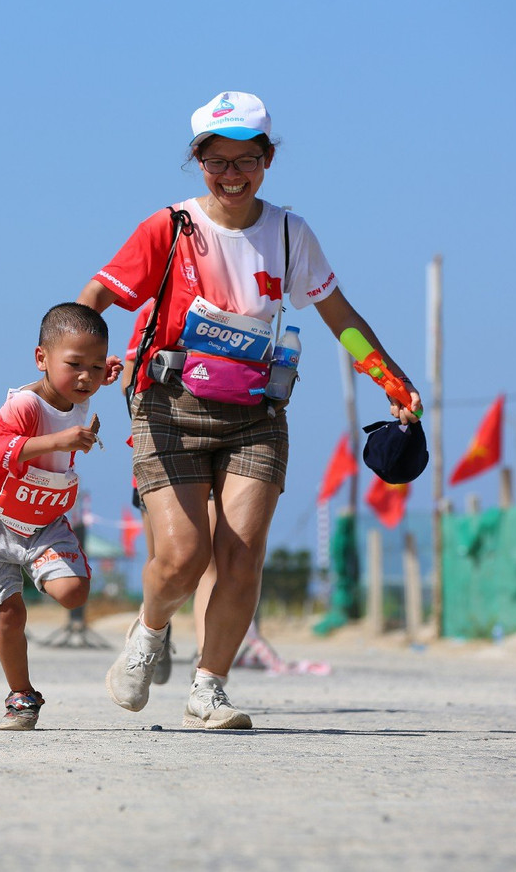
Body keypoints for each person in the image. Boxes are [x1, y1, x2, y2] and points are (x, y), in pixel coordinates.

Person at [78, 91, 421, 729]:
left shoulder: (290, 233)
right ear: (197, 162)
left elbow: (338, 316)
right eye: (217, 162)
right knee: (183, 557)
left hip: (255, 412)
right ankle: (150, 631)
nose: (231, 175)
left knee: (241, 553)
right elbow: (95, 297)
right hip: (167, 405)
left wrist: (387, 375)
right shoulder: (170, 228)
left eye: (246, 160)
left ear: (267, 160)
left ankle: (209, 688)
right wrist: (79, 372)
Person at [0, 303, 107, 730]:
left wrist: (108, 369)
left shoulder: (83, 390)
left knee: (74, 593)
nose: (87, 377)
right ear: (41, 359)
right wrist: (60, 439)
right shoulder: (25, 406)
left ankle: (40, 568)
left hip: (43, 518)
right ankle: (22, 695)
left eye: (97, 367)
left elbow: (91, 370)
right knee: (8, 615)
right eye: (75, 365)